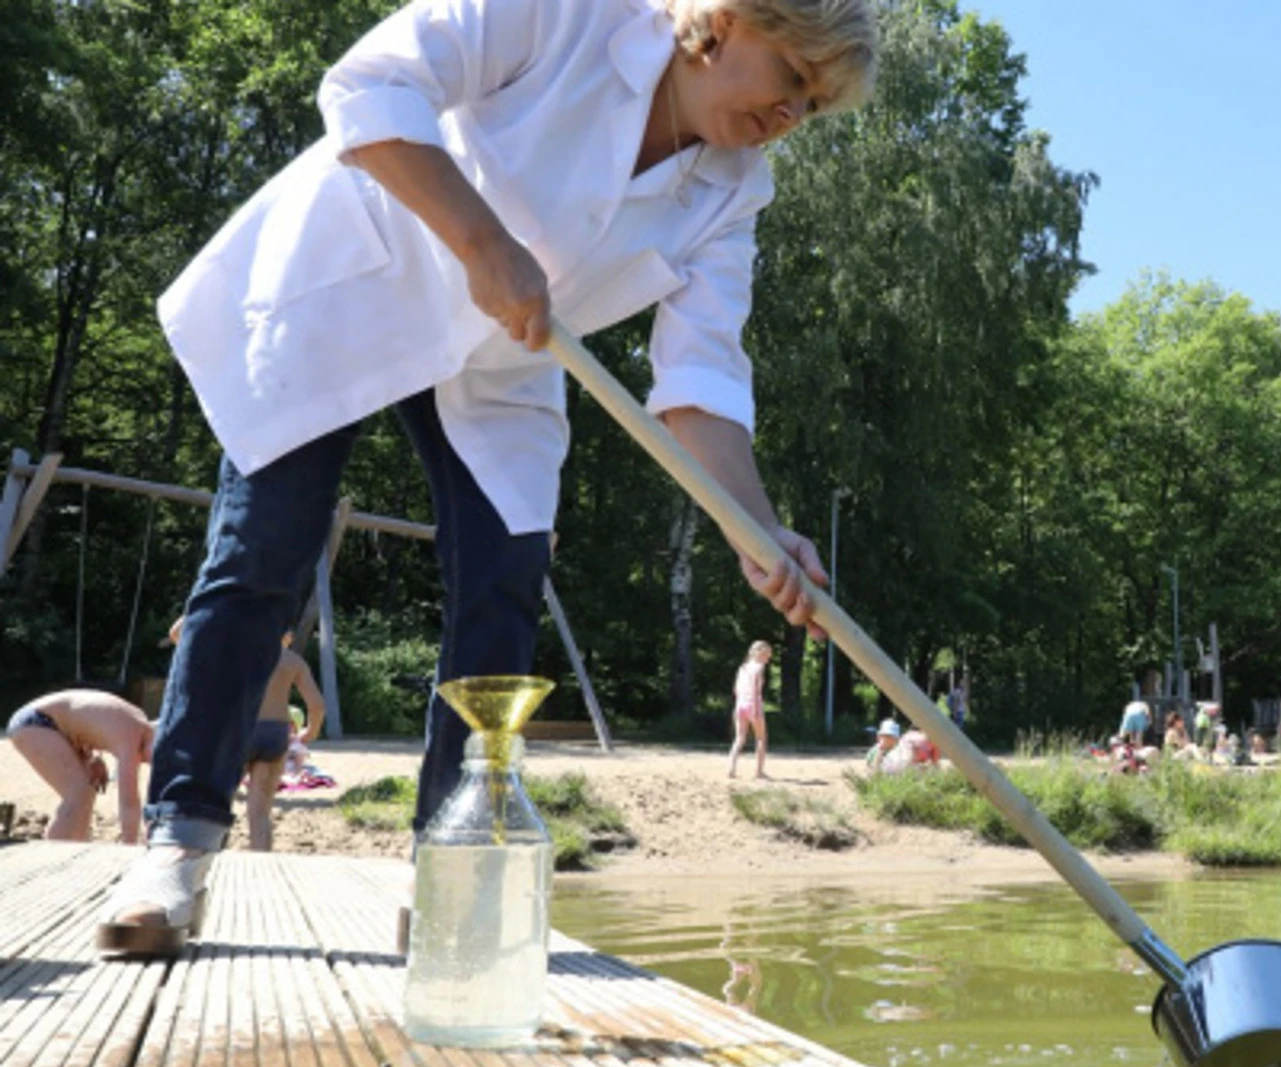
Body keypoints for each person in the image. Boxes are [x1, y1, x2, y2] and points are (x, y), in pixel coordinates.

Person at [105, 0, 879, 954]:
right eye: (793, 76)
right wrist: (480, 243)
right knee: (265, 550)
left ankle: (449, 877)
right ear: (721, 22)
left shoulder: (734, 189)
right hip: (359, 280)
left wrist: (756, 531)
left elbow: (702, 376)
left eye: (815, 106)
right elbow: (371, 83)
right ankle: (178, 848)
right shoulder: (566, 15)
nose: (791, 113)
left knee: (505, 589)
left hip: (505, 363)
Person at [168, 616, 326, 852]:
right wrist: (309, 732)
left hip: (238, 729)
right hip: (276, 733)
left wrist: (209, 605)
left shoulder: (233, 651)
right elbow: (317, 705)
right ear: (288, 637)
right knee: (260, 811)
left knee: (221, 804)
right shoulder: (293, 661)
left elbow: (177, 635)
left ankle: (215, 857)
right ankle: (260, 866)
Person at [6, 691, 155, 845]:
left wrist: (94, 757)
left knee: (87, 790)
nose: (146, 763)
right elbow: (129, 802)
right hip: (37, 721)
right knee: (77, 791)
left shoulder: (138, 723)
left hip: (53, 724)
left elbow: (93, 718)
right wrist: (129, 847)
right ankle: (51, 855)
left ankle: (75, 851)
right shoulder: (132, 737)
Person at [728, 640, 774, 780]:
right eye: (767, 655)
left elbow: (736, 689)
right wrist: (754, 708)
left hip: (740, 704)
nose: (768, 658)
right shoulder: (759, 668)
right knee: (761, 738)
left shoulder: (743, 667)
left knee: (739, 738)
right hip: (753, 704)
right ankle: (759, 772)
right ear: (760, 654)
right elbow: (755, 689)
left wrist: (738, 705)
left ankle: (731, 768)